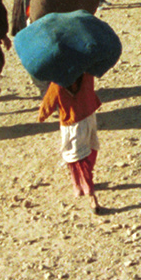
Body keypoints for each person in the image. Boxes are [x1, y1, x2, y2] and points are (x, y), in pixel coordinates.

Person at [39, 73, 104, 213]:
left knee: (78, 159)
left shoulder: (57, 83)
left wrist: (42, 115)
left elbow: (48, 103)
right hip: (89, 116)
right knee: (91, 149)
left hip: (72, 124)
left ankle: (91, 195)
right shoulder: (87, 74)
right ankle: (88, 182)